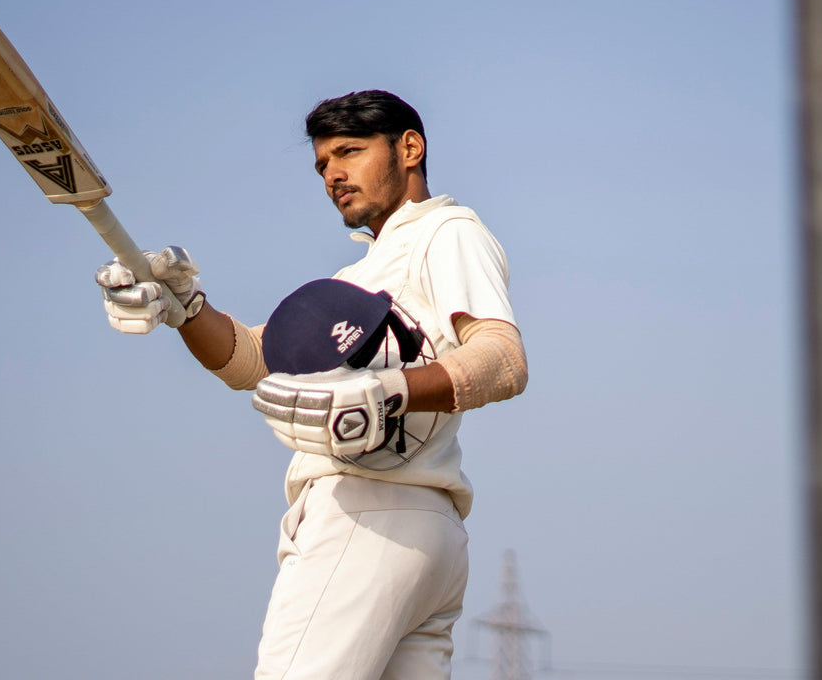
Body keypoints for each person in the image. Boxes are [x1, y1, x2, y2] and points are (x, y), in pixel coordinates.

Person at [94, 90, 527, 679]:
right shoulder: (357, 276)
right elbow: (251, 359)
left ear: (409, 148)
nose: (333, 174)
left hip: (367, 514)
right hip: (428, 534)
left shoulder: (445, 231)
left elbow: (502, 360)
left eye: (349, 152)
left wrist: (386, 392)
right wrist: (186, 307)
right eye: (323, 163)